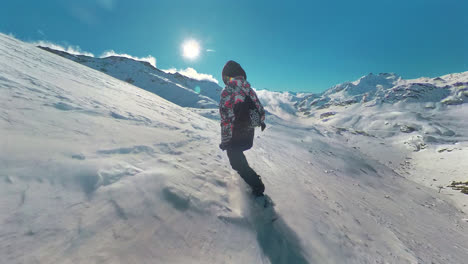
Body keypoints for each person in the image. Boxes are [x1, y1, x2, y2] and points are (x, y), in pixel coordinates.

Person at [219, 60, 267, 197]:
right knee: (238, 157)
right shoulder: (249, 89)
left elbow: (226, 119)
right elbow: (261, 111)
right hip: (248, 132)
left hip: (235, 133)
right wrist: (258, 122)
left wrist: (225, 140)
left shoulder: (228, 91)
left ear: (226, 76)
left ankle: (257, 187)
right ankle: (251, 179)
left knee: (235, 161)